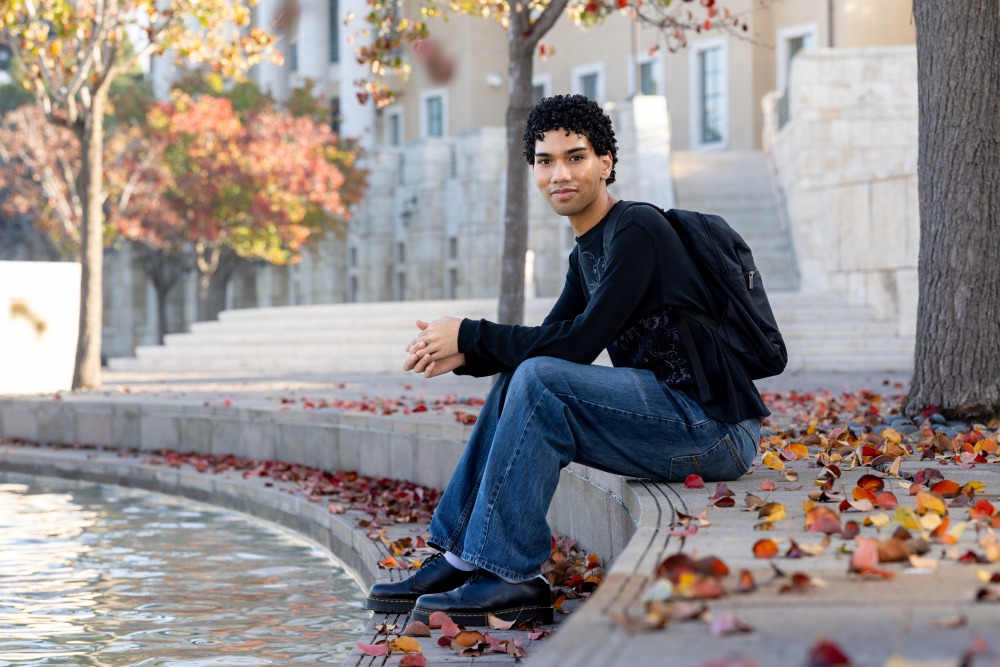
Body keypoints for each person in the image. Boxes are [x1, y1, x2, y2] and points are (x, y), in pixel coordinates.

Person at [363, 94, 774, 627]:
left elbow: (577, 346)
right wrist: (466, 352)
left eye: (575, 157)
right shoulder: (587, 251)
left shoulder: (637, 230)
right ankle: (461, 556)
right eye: (545, 160)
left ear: (606, 163)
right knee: (523, 373)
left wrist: (471, 331)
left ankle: (511, 577)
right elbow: (550, 337)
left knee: (538, 377)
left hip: (713, 428)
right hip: (669, 419)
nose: (560, 173)